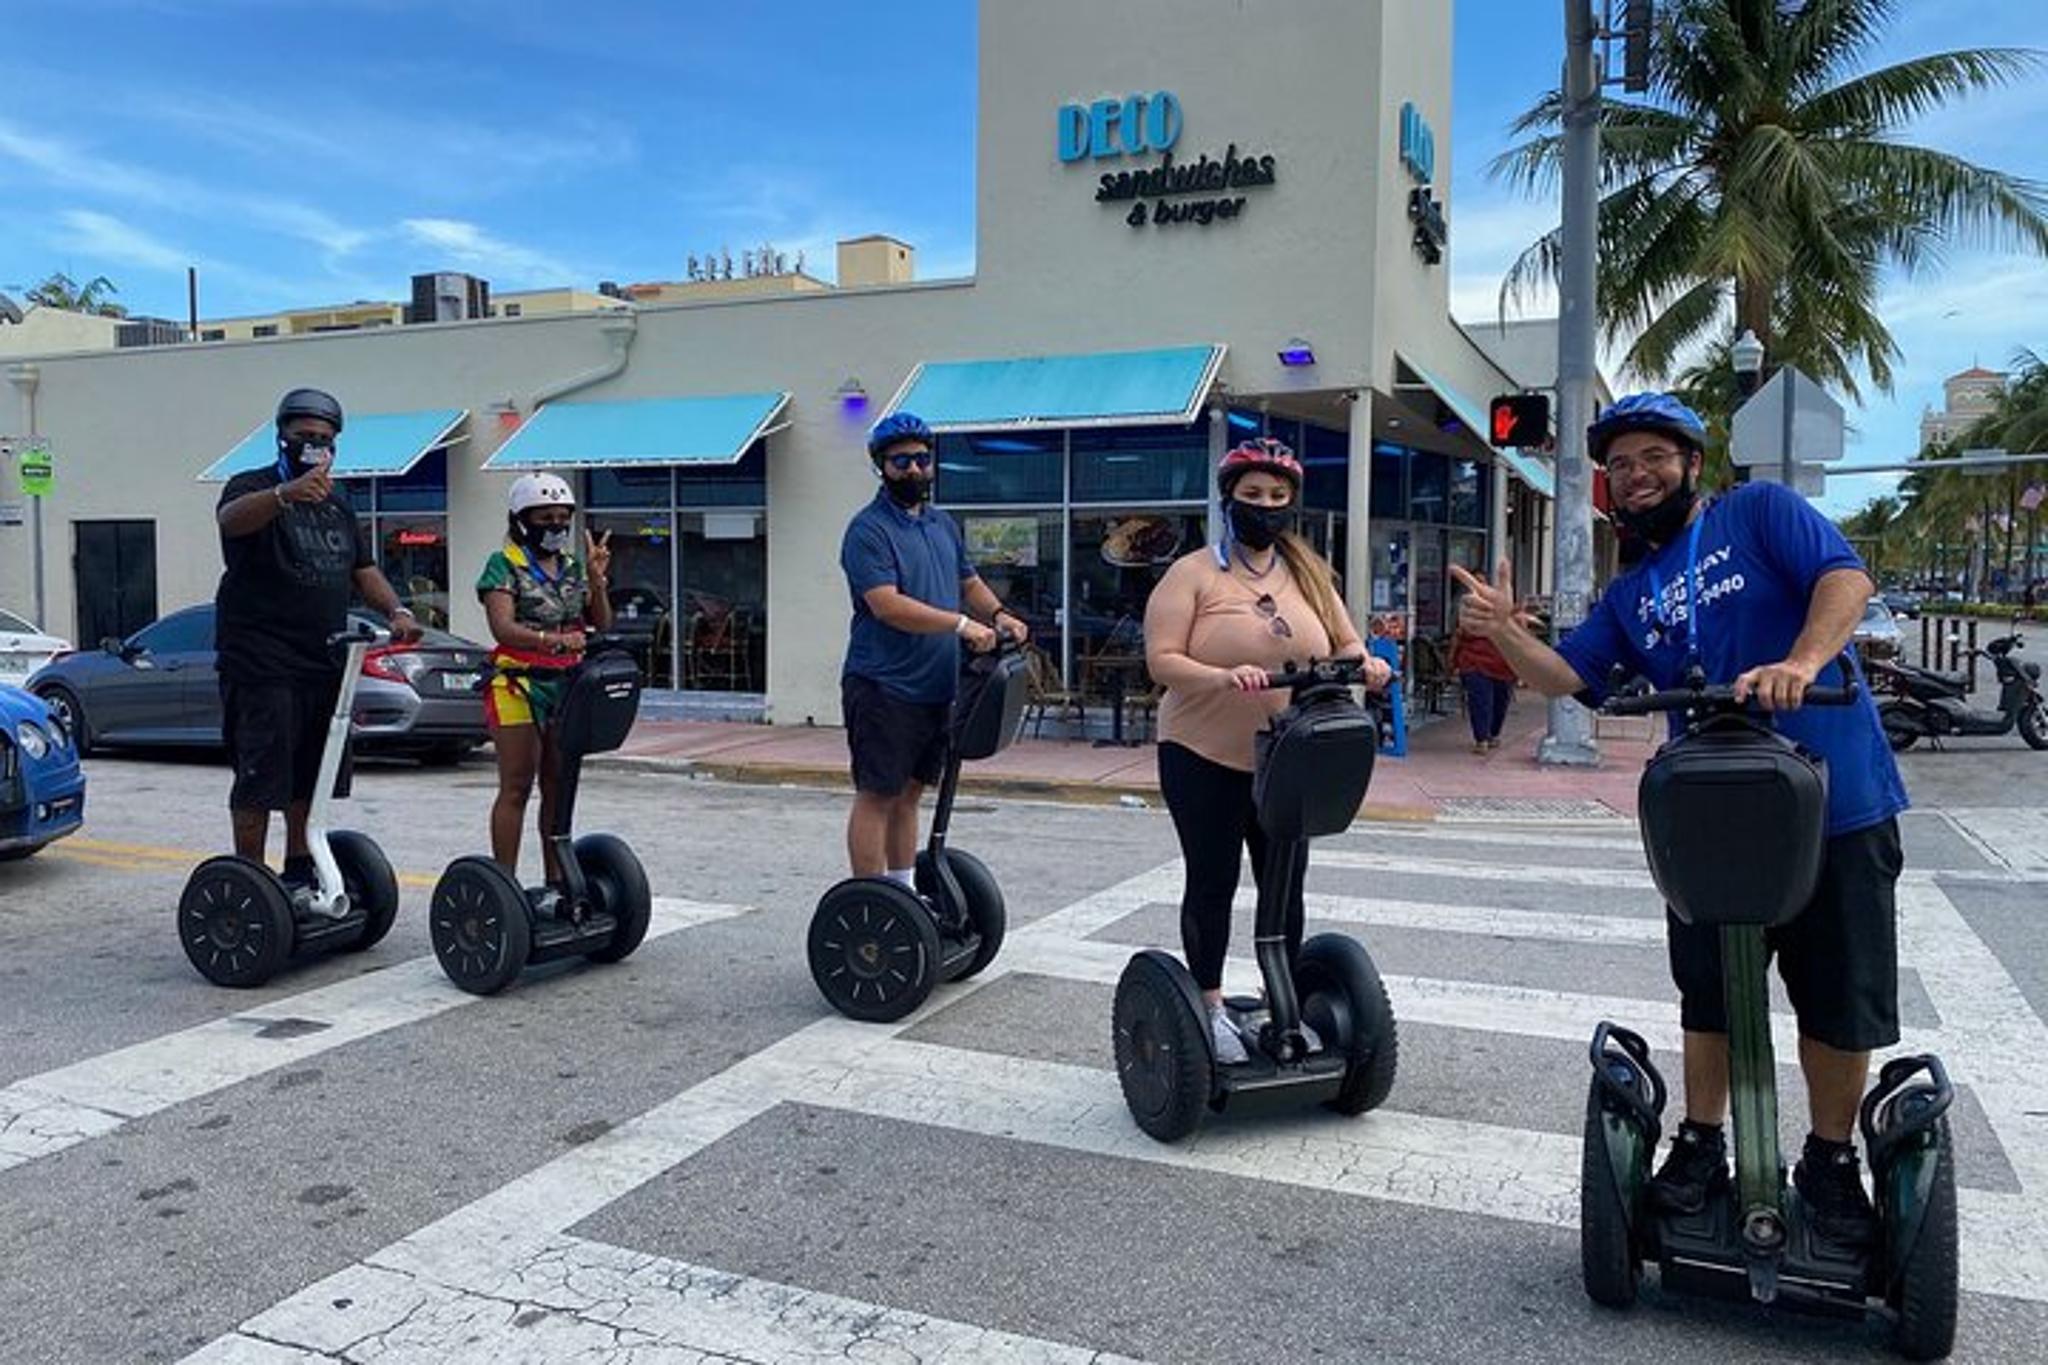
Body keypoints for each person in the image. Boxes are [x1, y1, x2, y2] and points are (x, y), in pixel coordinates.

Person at [1452, 392, 1908, 1247]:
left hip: (1836, 806)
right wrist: (1504, 632)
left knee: (1838, 999)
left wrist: (1802, 661)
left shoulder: (1759, 513)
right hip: (1713, 820)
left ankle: (1831, 1159)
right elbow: (1568, 677)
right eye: (1620, 466)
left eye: (1653, 457)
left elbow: (1845, 578)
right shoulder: (1633, 593)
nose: (1635, 476)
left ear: (1693, 463)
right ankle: (1701, 1144)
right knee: (1710, 993)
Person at [1144, 438, 1393, 1064]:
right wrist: (1222, 676)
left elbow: (1346, 643)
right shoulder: (1194, 573)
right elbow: (1162, 660)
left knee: (1286, 884)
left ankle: (1280, 998)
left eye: (1278, 497)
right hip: (1202, 753)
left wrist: (1368, 667)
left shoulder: (1309, 573)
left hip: (1286, 759)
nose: (1266, 507)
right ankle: (1209, 1004)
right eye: (1253, 496)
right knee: (1213, 880)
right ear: (1230, 499)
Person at [214, 387, 421, 886]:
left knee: (312, 775)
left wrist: (396, 609)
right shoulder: (253, 486)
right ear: (282, 437)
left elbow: (362, 568)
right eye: (304, 436)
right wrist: (284, 494)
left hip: (322, 660)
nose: (314, 446)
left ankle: (300, 868)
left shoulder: (339, 504)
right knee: (262, 777)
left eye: (324, 439)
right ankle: (250, 879)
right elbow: (229, 520)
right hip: (261, 660)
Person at [839, 412, 1029, 882]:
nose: (914, 470)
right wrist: (962, 626)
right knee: (877, 795)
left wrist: (999, 615)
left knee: (909, 794)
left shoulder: (941, 524)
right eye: (900, 461)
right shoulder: (867, 530)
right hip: (883, 684)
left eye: (922, 460)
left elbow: (970, 582)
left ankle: (903, 891)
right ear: (881, 467)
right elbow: (887, 606)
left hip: (936, 686)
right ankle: (870, 901)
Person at [476, 473, 614, 893]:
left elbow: (601, 623)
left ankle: (557, 882)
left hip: (565, 685)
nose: (555, 526)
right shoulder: (504, 564)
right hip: (516, 683)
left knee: (557, 785)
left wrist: (596, 579)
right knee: (517, 785)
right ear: (521, 520)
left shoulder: (573, 567)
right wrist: (552, 641)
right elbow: (503, 627)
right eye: (545, 517)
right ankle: (505, 885)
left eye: (562, 518)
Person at [1450, 609, 1518, 752]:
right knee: (1489, 701)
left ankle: (1487, 736)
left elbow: (1458, 636)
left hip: (1490, 664)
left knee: (1485, 701)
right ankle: (1484, 737)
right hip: (1484, 663)